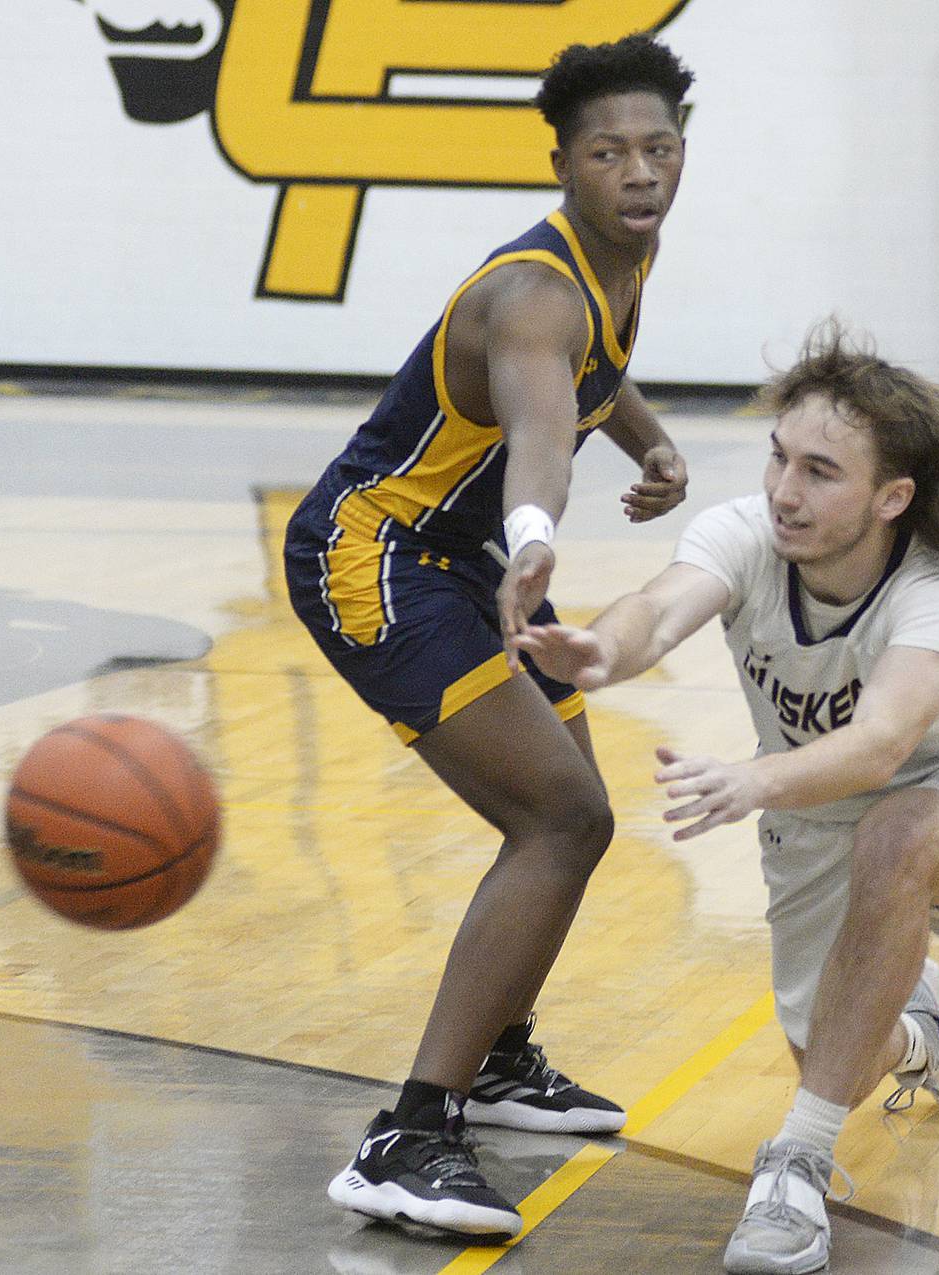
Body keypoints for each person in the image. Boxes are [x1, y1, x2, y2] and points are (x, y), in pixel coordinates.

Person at [512, 320, 939, 1274]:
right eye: (778, 459)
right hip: (810, 806)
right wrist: (604, 649)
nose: (784, 492)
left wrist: (749, 780)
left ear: (893, 496)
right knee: (835, 1057)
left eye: (819, 472)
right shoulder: (747, 535)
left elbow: (885, 745)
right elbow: (664, 602)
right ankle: (918, 1038)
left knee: (894, 836)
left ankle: (795, 1168)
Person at [283, 34, 695, 1242]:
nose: (639, 171)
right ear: (562, 162)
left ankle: (502, 1057)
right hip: (377, 554)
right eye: (610, 152)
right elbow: (536, 418)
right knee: (560, 818)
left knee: (572, 809)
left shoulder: (623, 259)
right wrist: (533, 536)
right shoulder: (535, 290)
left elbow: (593, 381)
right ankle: (408, 1136)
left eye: (659, 149)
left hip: (458, 563)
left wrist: (653, 444)